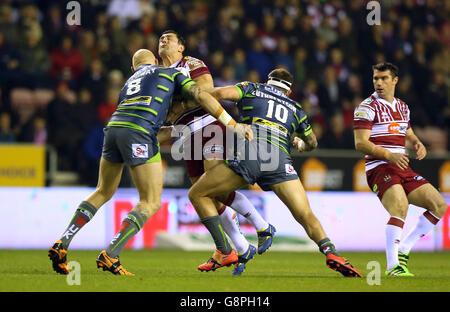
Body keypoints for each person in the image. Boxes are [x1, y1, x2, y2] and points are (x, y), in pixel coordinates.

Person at [48, 49, 252, 276]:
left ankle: (62, 243)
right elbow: (202, 96)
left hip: (114, 129)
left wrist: (180, 130)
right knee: (151, 202)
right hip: (140, 132)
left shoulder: (129, 83)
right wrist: (232, 123)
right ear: (155, 62)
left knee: (103, 191)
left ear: (134, 69)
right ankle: (110, 255)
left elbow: (147, 121)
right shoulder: (169, 73)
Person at [188, 68, 362, 277]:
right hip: (280, 162)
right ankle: (330, 252)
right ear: (288, 91)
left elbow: (217, 95)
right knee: (305, 214)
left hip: (252, 152)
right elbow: (312, 142)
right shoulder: (296, 108)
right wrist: (299, 143)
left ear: (268, 82)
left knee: (198, 193)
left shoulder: (251, 88)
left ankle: (226, 250)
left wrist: (197, 98)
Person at [157, 30, 275, 275]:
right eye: (161, 39)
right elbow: (168, 114)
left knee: (215, 186)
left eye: (169, 38)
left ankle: (262, 226)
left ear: (181, 47)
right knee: (206, 195)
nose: (163, 41)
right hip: (186, 134)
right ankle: (241, 247)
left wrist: (178, 104)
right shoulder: (160, 74)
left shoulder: (191, 63)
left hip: (209, 125)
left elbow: (206, 92)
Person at [353, 62, 448, 277]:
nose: (379, 82)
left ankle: (404, 249)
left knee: (439, 205)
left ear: (395, 80)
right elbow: (360, 143)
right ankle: (393, 266)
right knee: (399, 207)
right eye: (376, 78)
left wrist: (416, 142)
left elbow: (406, 128)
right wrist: (389, 155)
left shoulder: (403, 106)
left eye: (384, 78)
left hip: (402, 166)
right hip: (379, 167)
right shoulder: (366, 107)